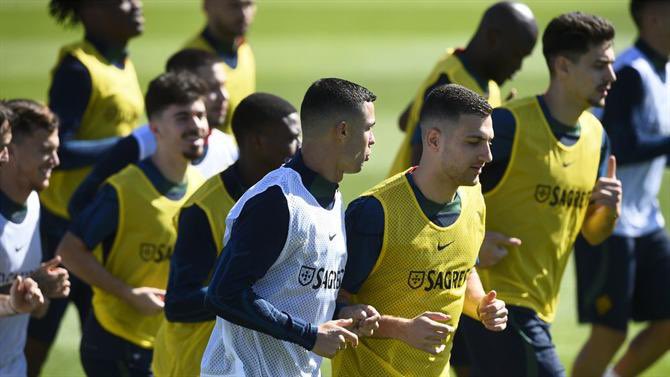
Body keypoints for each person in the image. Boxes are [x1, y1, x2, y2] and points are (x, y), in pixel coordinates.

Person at [459, 12, 622, 376]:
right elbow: (439, 185)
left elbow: (592, 233)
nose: (611, 76)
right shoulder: (508, 126)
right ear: (563, 65)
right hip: (497, 304)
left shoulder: (597, 137)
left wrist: (608, 212)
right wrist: (472, 244)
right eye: (599, 66)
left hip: (536, 307)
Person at [200, 78, 380, 376]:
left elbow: (292, 294)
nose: (372, 139)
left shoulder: (332, 197)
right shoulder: (277, 201)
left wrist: (341, 313)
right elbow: (223, 293)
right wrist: (309, 336)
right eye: (368, 128)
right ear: (343, 131)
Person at [332, 84, 507, 377]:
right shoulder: (374, 214)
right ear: (434, 140)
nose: (487, 155)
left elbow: (462, 269)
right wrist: (402, 329)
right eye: (473, 142)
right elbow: (329, 305)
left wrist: (480, 306)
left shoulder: (474, 198)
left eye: (489, 142)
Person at [57, 72, 208, 376]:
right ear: (154, 129)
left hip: (169, 343)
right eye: (183, 117)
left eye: (201, 115)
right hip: (118, 344)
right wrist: (127, 294)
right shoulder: (122, 190)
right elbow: (69, 251)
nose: (197, 126)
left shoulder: (202, 188)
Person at [27, 1, 145, 372]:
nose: (137, 5)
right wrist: (127, 146)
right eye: (124, 1)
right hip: (62, 229)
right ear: (92, 11)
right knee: (35, 338)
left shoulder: (122, 62)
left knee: (105, 343)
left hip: (101, 227)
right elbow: (59, 143)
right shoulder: (77, 69)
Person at [152, 92, 301, 377]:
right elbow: (178, 304)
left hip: (244, 362)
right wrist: (251, 292)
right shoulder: (203, 208)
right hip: (193, 364)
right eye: (292, 138)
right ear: (258, 142)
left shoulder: (288, 196)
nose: (299, 148)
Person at [572, 1, 670, 376]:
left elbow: (656, 147)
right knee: (610, 332)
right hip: (609, 221)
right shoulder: (629, 73)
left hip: (646, 220)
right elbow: (621, 146)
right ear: (655, 15)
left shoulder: (662, 71)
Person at [68, 48, 237, 218]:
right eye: (212, 88)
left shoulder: (228, 147)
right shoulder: (139, 144)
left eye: (223, 86)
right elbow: (80, 204)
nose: (224, 96)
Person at [389, 1, 538, 176]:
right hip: (408, 201)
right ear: (492, 38)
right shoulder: (451, 85)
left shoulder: (454, 62)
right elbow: (421, 166)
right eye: (516, 55)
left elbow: (406, 120)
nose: (518, 68)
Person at [0, 100, 70, 376]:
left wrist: (40, 293)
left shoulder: (34, 204)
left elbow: (34, 310)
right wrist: (14, 300)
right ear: (10, 150)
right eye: (45, 151)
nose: (56, 161)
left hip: (14, 367)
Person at [186, 0, 256, 134]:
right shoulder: (191, 63)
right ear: (207, 6)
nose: (243, 14)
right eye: (233, 5)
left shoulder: (244, 49)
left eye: (248, 4)